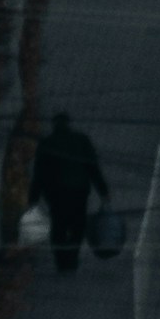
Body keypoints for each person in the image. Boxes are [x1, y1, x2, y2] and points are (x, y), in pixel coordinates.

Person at [29, 107, 109, 277]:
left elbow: (39, 173)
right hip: (78, 191)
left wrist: (33, 197)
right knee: (77, 225)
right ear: (68, 124)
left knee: (59, 226)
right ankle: (72, 257)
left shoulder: (47, 143)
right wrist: (103, 191)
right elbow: (92, 167)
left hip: (56, 194)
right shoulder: (81, 140)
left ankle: (61, 260)